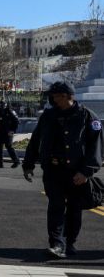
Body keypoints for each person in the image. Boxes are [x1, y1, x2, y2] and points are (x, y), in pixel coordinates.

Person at [22, 82, 103, 259]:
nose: (53, 99)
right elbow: (36, 140)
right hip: (53, 169)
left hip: (76, 172)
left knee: (74, 208)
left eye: (56, 96)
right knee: (55, 206)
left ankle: (70, 243)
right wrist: (28, 164)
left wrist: (86, 172)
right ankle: (57, 244)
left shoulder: (87, 116)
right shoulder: (48, 116)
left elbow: (96, 148)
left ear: (67, 96)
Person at [0, 100, 21, 168]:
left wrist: (12, 130)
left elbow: (17, 121)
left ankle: (16, 161)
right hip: (0, 132)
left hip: (8, 132)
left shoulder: (10, 111)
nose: (0, 106)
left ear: (5, 105)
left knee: (9, 147)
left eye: (2, 105)